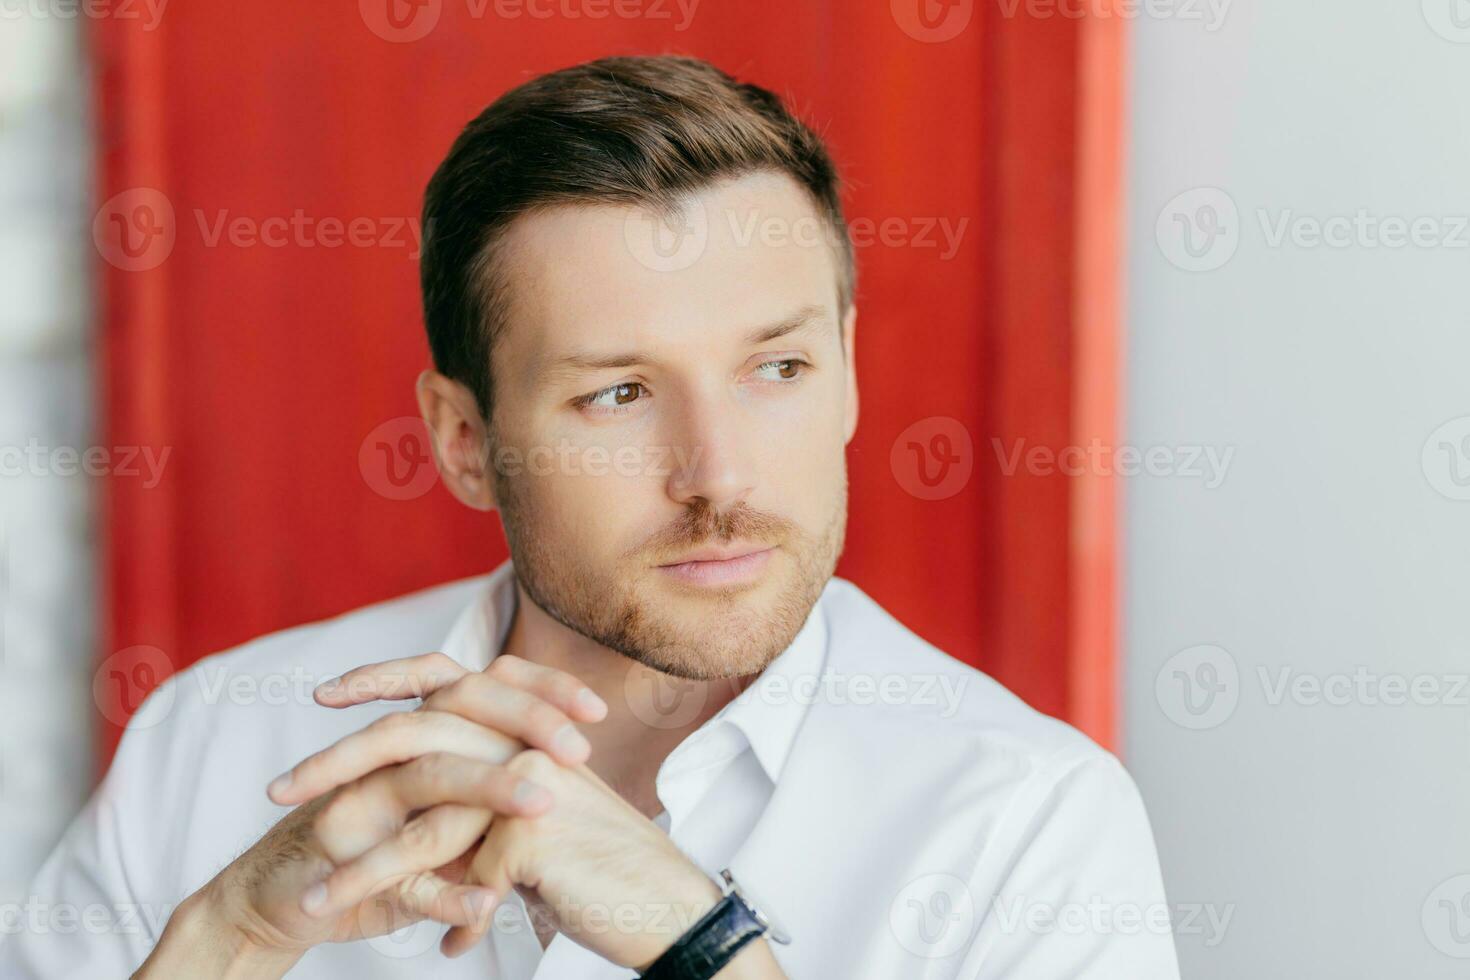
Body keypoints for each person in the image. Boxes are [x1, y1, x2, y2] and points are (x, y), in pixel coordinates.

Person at [0, 55, 1180, 979]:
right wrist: (236, 937)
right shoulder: (213, 743)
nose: (719, 474)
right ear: (464, 440)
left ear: (850, 371)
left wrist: (697, 944)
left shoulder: (1026, 821)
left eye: (776, 369)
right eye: (616, 393)